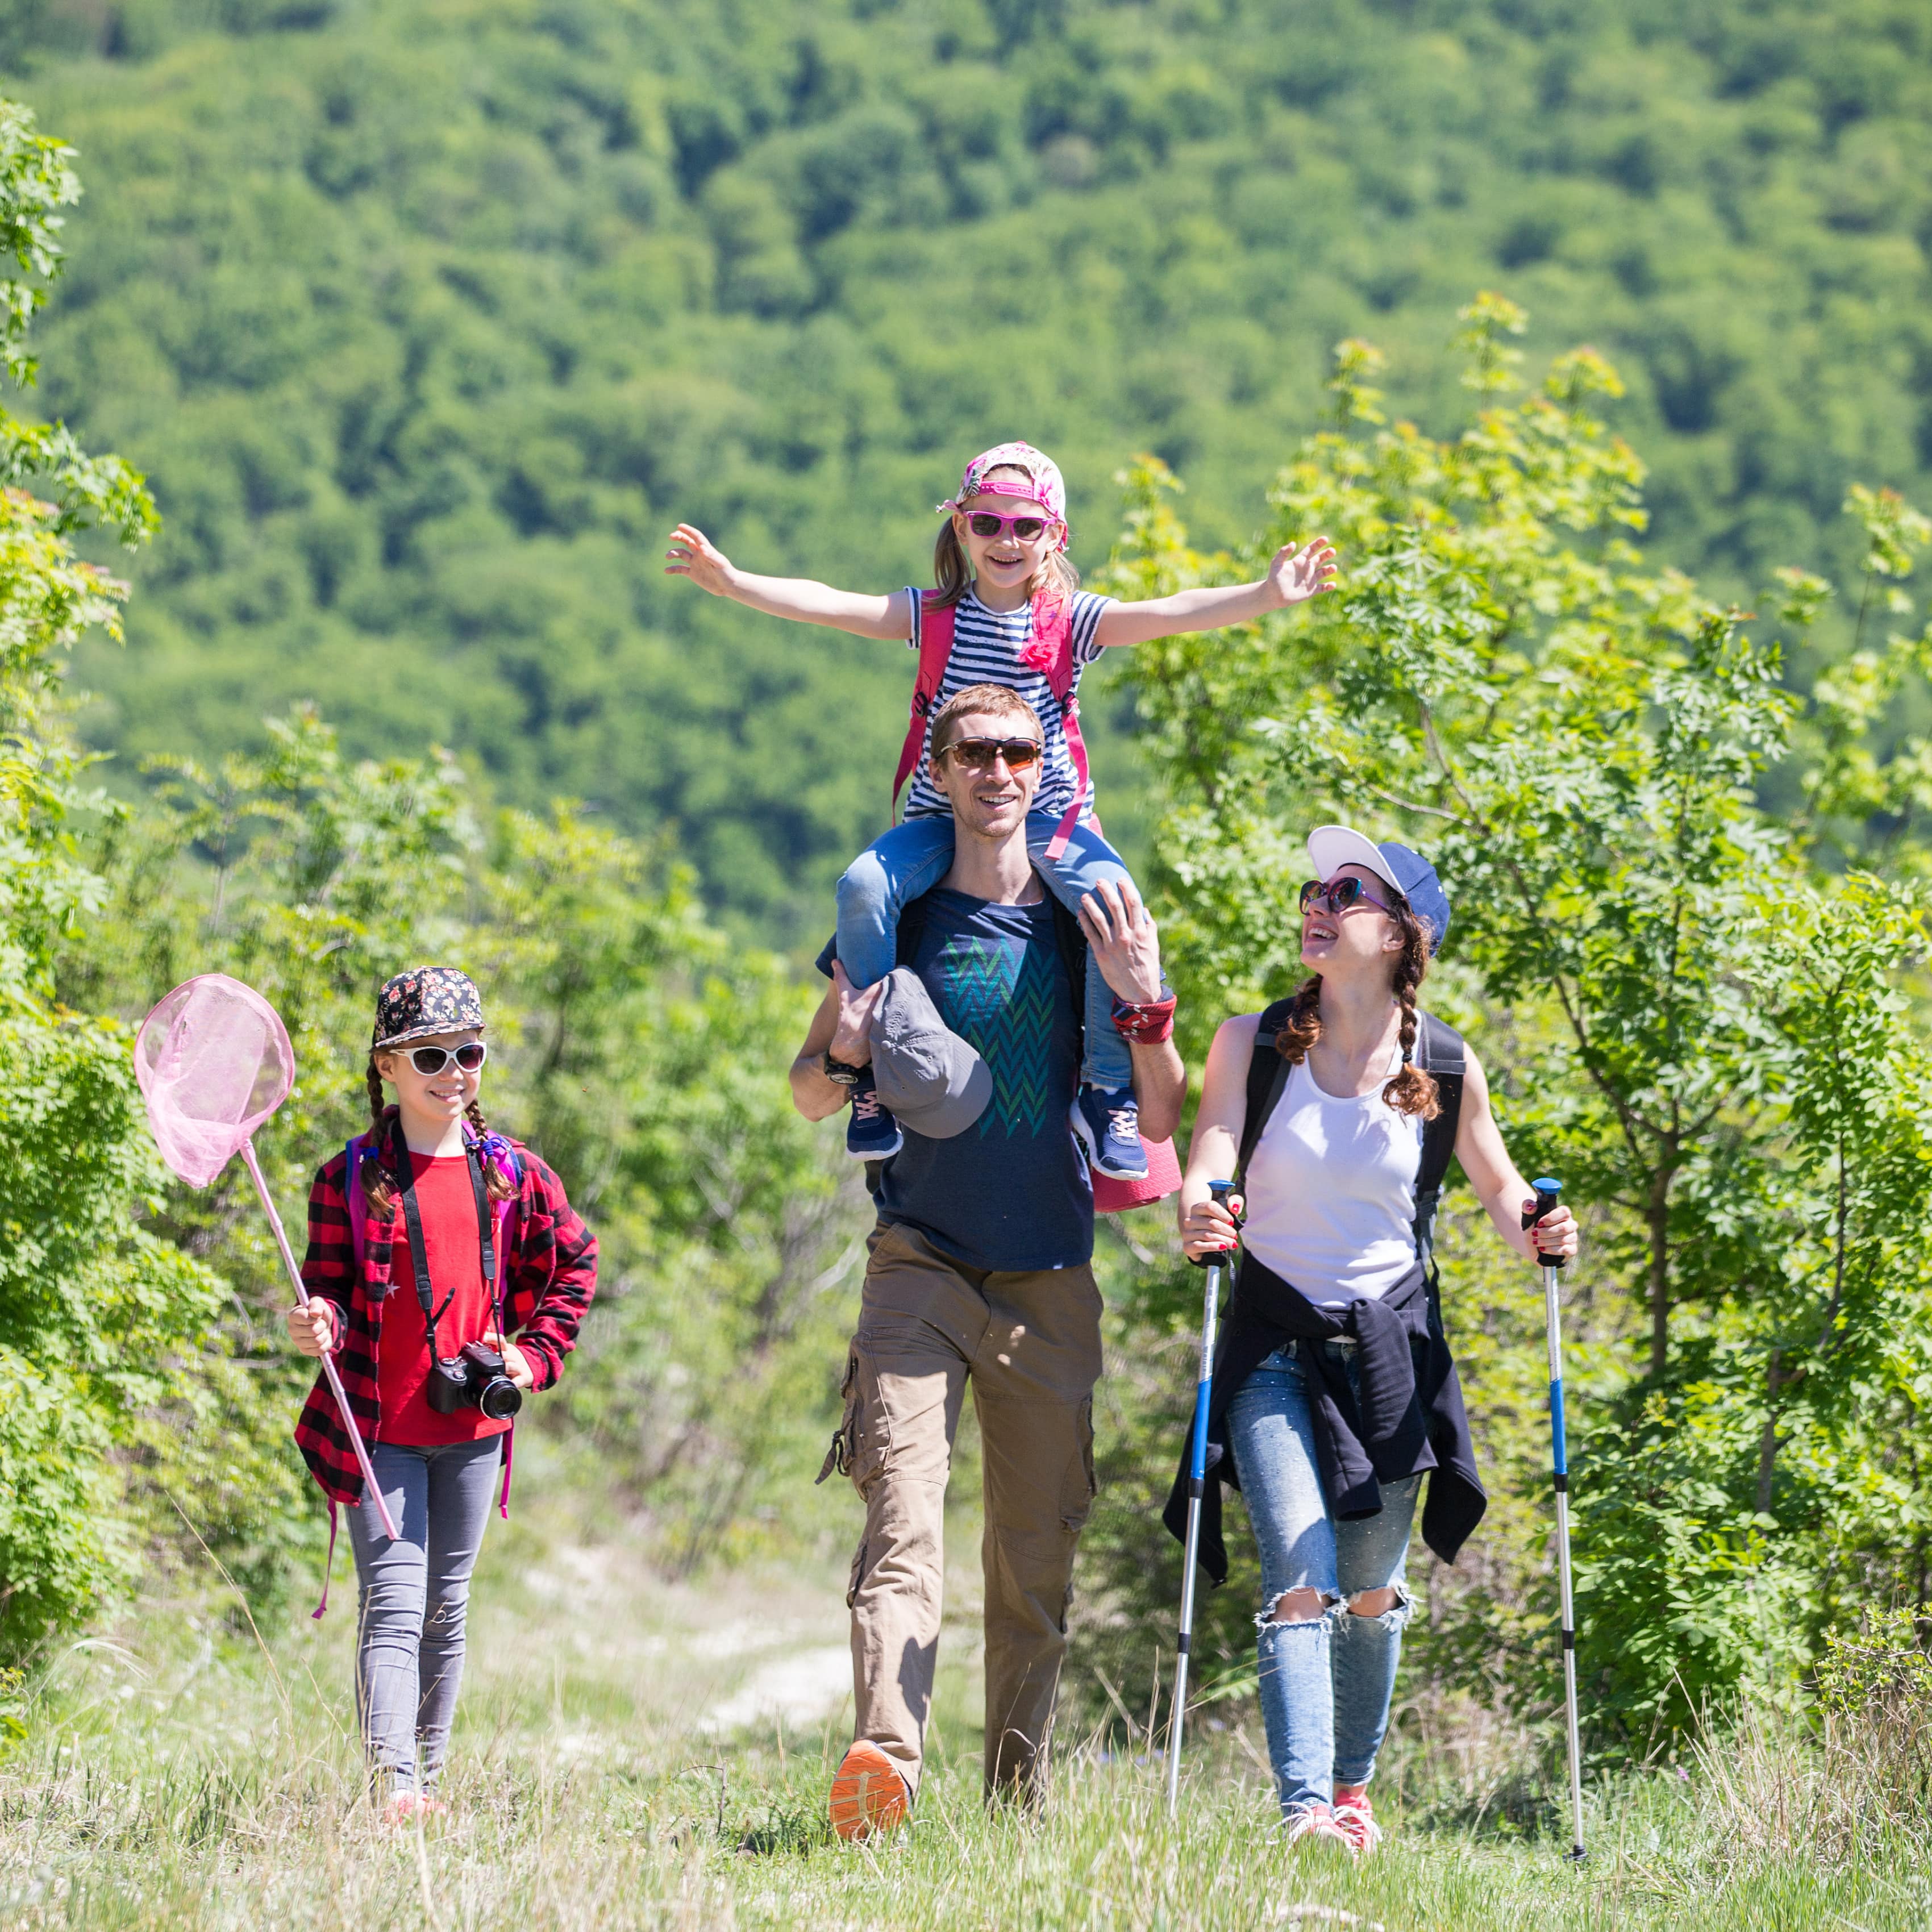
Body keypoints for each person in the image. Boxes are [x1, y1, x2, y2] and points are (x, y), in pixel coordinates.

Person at [673, 439, 1333, 1179]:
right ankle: (868, 1075)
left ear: (1055, 537)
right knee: (862, 887)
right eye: (987, 524)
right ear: (961, 530)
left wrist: (1266, 596)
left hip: (1048, 823)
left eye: (1025, 526)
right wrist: (733, 583)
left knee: (1112, 906)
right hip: (938, 818)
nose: (1006, 541)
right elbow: (831, 603)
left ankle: (1104, 1090)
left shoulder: (1073, 622)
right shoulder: (933, 617)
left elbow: (1171, 612)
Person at [789, 684, 1185, 1839]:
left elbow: (1159, 1120)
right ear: (943, 768)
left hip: (1049, 1274)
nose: (996, 770)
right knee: (901, 1519)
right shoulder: (896, 916)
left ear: (1041, 767)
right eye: (974, 752)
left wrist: (1144, 1002)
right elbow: (808, 1090)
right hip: (917, 1259)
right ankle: (887, 1760)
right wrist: (848, 1051)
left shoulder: (1086, 917)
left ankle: (1015, 1799)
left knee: (1031, 1559)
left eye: (1016, 751)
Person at [1171, 827, 1577, 1856]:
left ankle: (1352, 1792)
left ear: (1400, 933)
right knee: (1298, 1571)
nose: (1319, 900)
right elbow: (1212, 1143)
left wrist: (1541, 1224)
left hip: (1391, 1350)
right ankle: (1305, 1811)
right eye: (1314, 887)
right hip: (1271, 1340)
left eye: (1346, 891)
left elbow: (1498, 1184)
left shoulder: (1443, 1062)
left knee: (1369, 1594)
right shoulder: (1250, 1043)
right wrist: (1198, 1200)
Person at [287, 967, 598, 1819]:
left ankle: (427, 1779)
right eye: (430, 1055)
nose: (453, 1072)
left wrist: (534, 1356)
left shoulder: (513, 1174)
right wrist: (320, 1324)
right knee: (392, 1601)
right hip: (378, 1427)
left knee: (446, 1607)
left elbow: (576, 1261)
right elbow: (332, 1296)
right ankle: (392, 1787)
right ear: (386, 1066)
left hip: (471, 1430)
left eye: (470, 1052)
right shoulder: (345, 1179)